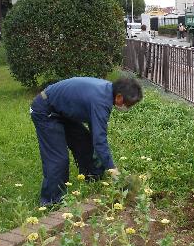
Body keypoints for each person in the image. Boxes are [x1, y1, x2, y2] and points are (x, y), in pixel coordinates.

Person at [30, 77, 143, 206]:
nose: (128, 107)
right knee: (58, 159)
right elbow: (100, 141)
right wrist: (112, 170)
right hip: (46, 111)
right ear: (119, 97)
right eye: (129, 104)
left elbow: (96, 132)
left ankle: (93, 179)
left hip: (63, 111)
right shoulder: (101, 100)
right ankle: (51, 202)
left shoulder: (106, 91)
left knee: (85, 142)